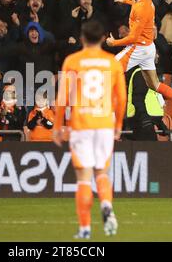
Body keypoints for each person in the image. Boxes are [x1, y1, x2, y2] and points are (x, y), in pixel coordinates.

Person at [53, 20, 126, 239]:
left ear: (83, 38)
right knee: (102, 173)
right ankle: (105, 203)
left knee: (84, 178)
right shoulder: (112, 62)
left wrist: (58, 126)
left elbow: (62, 98)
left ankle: (85, 229)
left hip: (81, 124)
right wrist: (119, 124)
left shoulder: (73, 61)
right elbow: (121, 98)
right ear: (103, 38)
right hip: (104, 124)